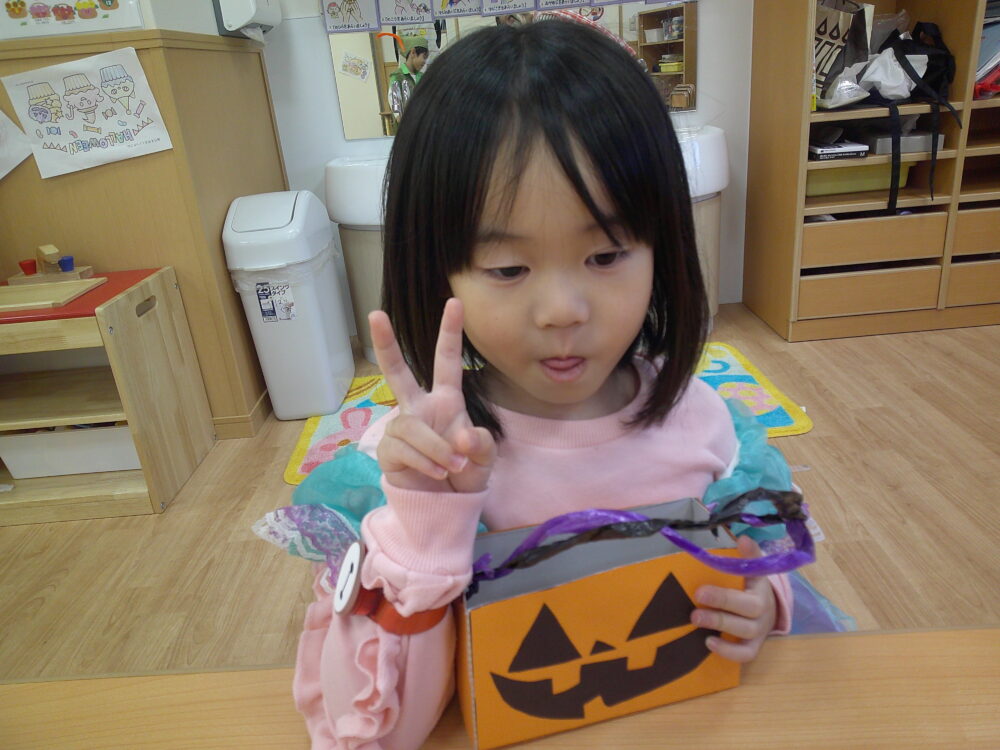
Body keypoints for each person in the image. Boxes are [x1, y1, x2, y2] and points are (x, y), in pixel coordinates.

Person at [291, 19, 796, 750]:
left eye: (606, 255)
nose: (563, 311)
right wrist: (425, 525)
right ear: (437, 271)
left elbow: (756, 557)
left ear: (662, 246)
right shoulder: (413, 469)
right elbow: (376, 732)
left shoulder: (706, 426)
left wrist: (761, 599)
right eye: (508, 269)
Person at [382, 33, 429, 123]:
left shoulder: (422, 77)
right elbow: (396, 108)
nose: (424, 62)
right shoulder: (397, 77)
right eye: (424, 57)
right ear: (413, 53)